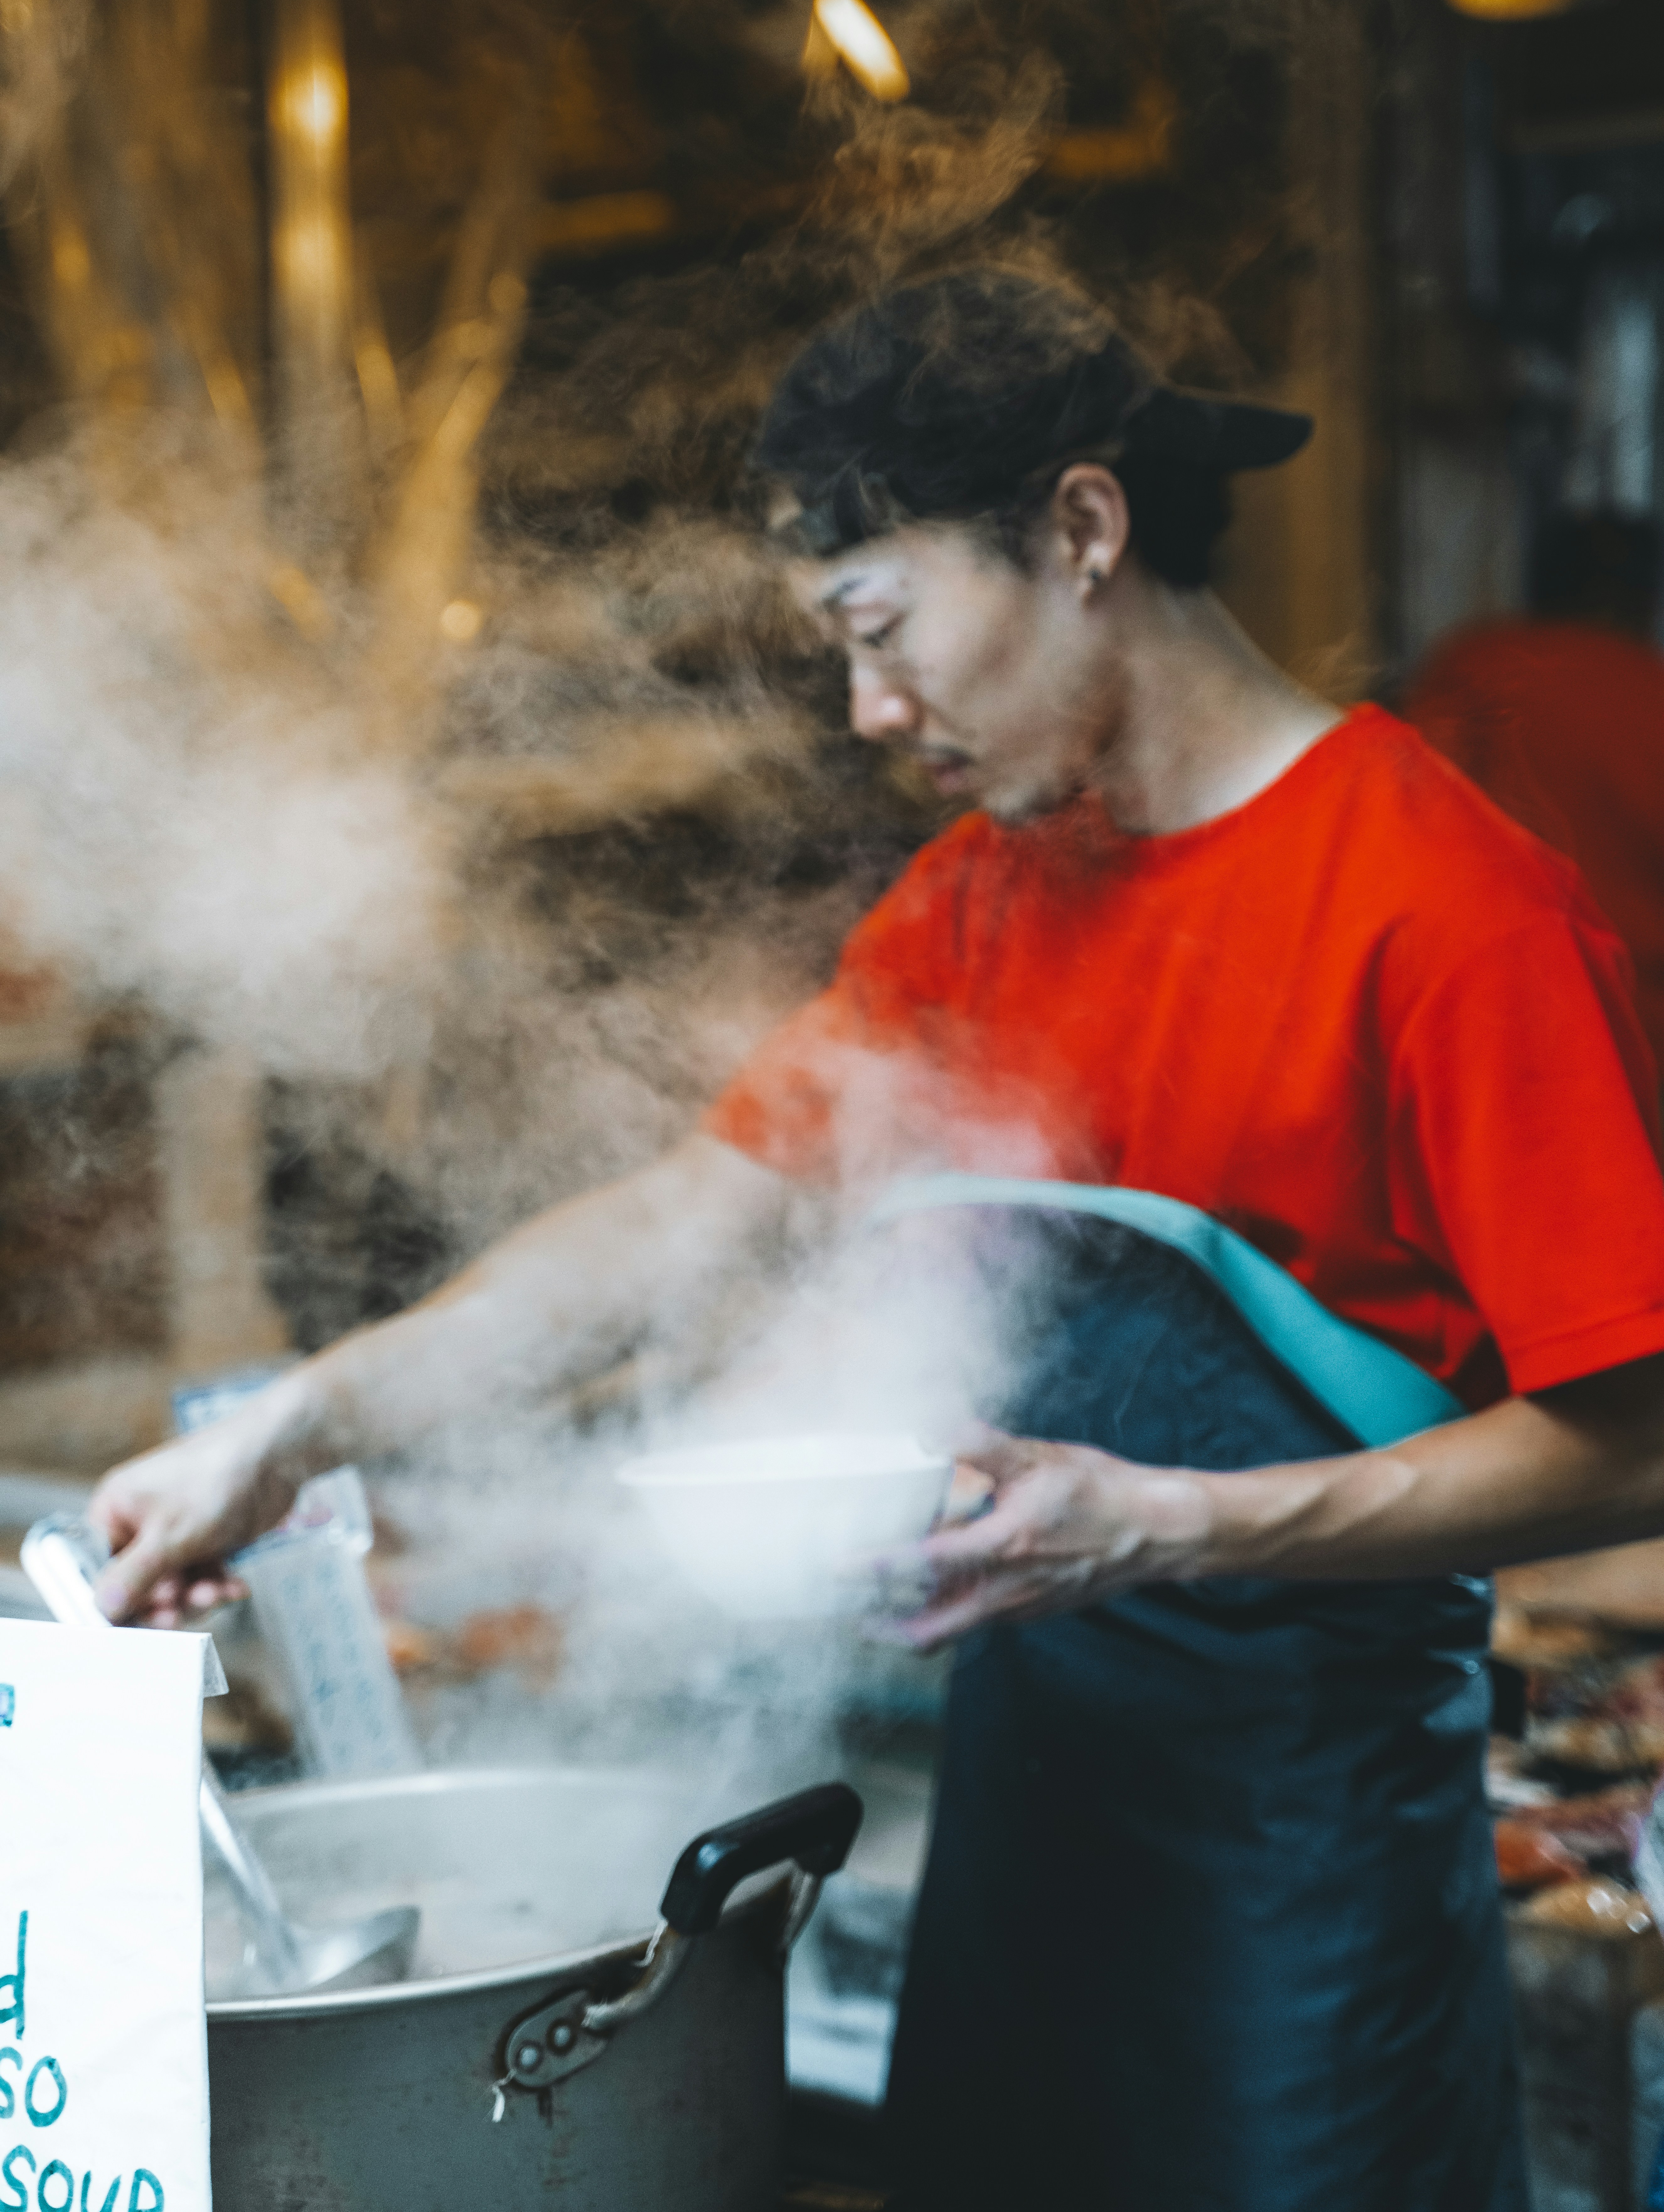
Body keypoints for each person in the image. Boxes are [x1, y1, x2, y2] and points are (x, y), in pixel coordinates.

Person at [90, 273, 1664, 2212]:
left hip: (1304, 1900)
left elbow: (1631, 1436)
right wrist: (298, 1423)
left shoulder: (1439, 905)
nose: (865, 706)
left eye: (882, 625)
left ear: (1079, 530)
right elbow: (686, 1215)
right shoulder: (976, 902)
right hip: (1022, 1863)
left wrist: (1168, 1520)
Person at [1405, 504, 1664, 1069]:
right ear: (1643, 599)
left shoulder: (1467, 669)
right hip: (1629, 1043)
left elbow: (1402, 825)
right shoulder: (1650, 694)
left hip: (1469, 1027)